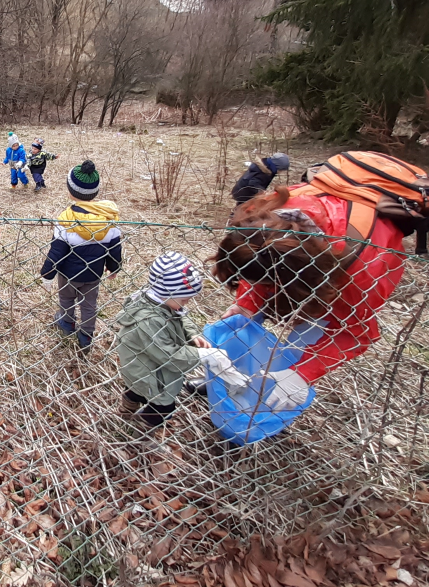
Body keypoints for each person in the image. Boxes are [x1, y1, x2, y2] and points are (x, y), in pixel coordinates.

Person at [212, 183, 406, 411]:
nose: (254, 286)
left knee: (306, 334)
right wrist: (246, 304)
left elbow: (355, 332)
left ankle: (274, 386)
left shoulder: (362, 271)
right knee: (246, 323)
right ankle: (229, 379)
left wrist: (302, 374)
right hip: (300, 263)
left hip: (358, 259)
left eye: (267, 284)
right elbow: (262, 263)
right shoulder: (263, 216)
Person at [115, 252, 248, 428]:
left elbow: (181, 316)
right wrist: (202, 355)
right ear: (166, 292)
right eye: (184, 299)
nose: (186, 303)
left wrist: (192, 334)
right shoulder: (149, 321)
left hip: (142, 368)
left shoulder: (159, 302)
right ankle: (142, 435)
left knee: (137, 388)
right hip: (154, 373)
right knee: (163, 407)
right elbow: (168, 355)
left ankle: (127, 409)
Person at [39, 160, 122, 350]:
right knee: (89, 304)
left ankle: (67, 322)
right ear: (95, 191)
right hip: (93, 275)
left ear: (70, 190)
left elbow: (57, 251)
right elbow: (114, 247)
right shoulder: (109, 218)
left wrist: (47, 274)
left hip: (68, 275)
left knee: (66, 299)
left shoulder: (66, 219)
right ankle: (86, 335)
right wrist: (114, 267)